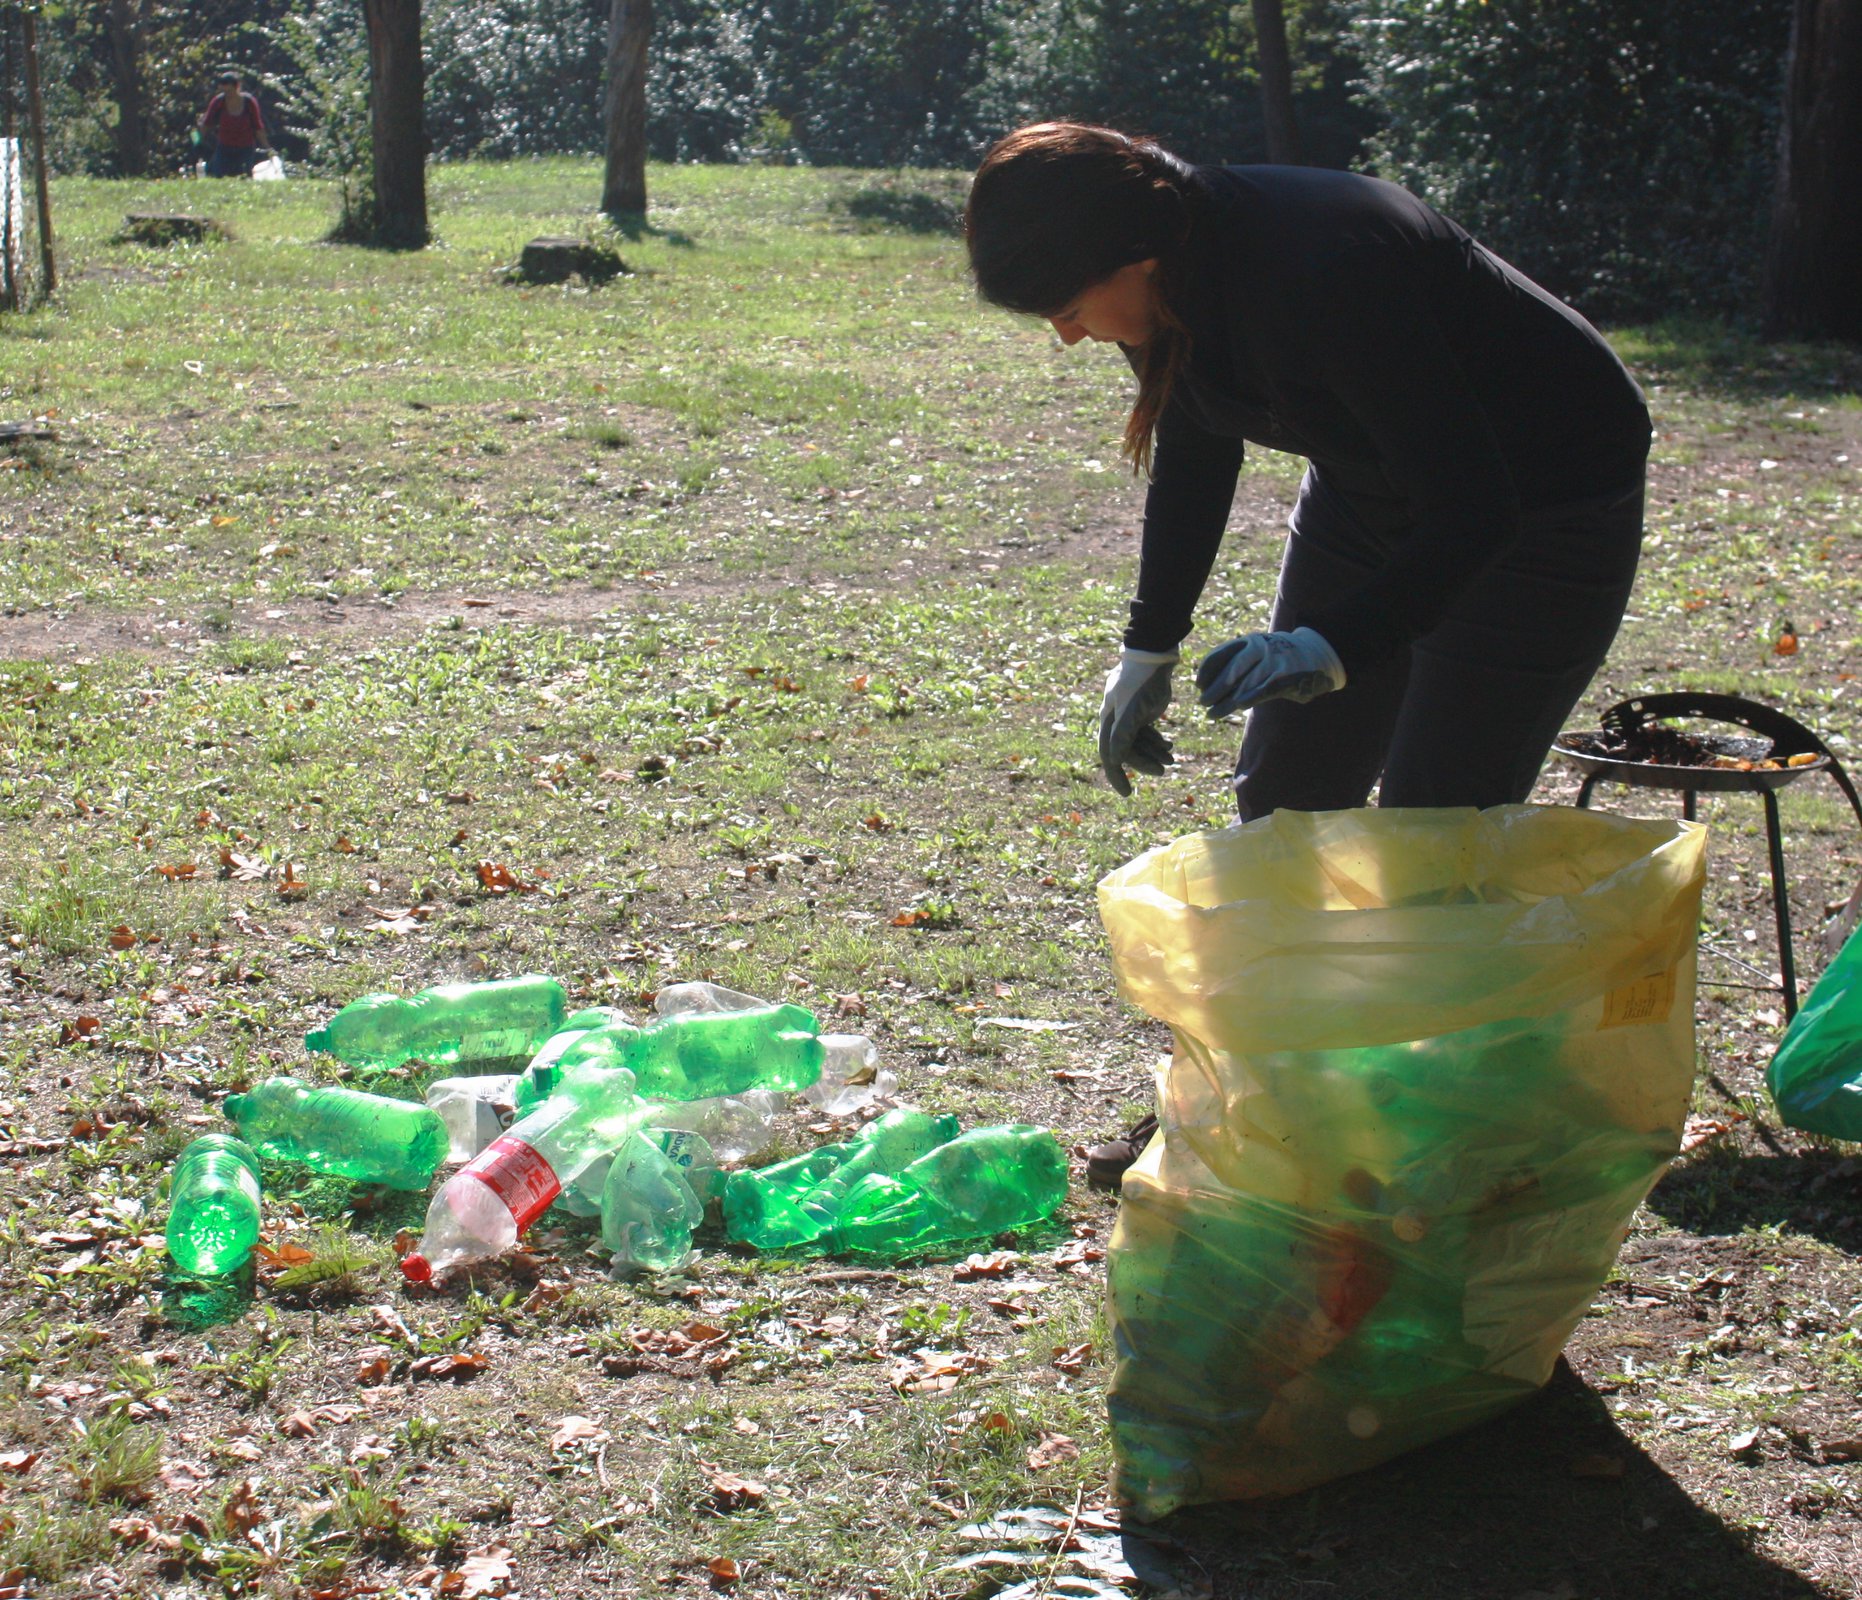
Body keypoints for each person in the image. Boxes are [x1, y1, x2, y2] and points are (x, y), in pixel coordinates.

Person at [964, 122, 1652, 1185]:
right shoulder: (1173, 272)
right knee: (1285, 797)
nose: (1066, 335)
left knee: (1434, 835)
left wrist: (1335, 642)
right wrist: (1148, 645)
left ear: (1134, 257)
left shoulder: (1322, 269)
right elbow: (1196, 440)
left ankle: (1405, 1136)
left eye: (1067, 306)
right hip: (1374, 487)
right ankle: (1239, 1106)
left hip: (1541, 507)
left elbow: (1475, 510)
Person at [199, 72, 270, 178]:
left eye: (229, 91)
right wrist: (197, 142)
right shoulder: (218, 102)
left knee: (244, 177)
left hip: (245, 149)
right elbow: (206, 124)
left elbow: (258, 127)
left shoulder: (249, 103)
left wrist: (267, 148)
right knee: (218, 176)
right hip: (224, 148)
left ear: (237, 87)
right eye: (224, 91)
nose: (227, 95)